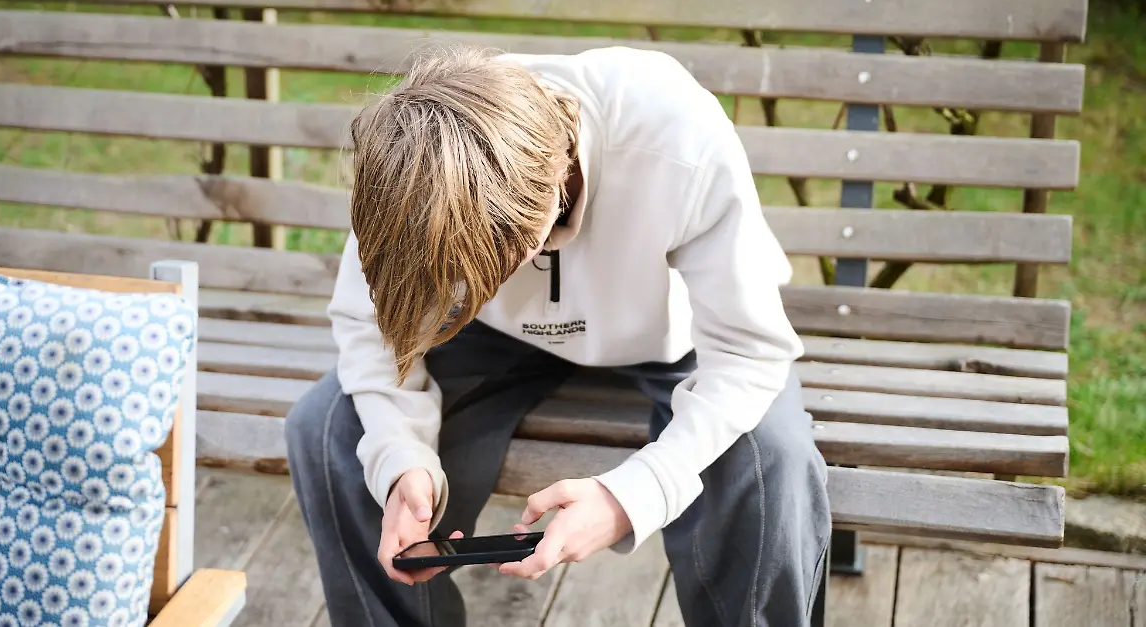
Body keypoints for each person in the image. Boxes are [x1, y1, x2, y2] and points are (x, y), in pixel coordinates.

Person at [285, 45, 831, 627]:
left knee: (771, 455)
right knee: (328, 431)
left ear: (543, 213)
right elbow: (371, 324)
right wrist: (400, 460)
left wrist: (631, 496)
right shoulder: (416, 163)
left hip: (673, 335)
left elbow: (749, 352)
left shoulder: (676, 135)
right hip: (488, 335)